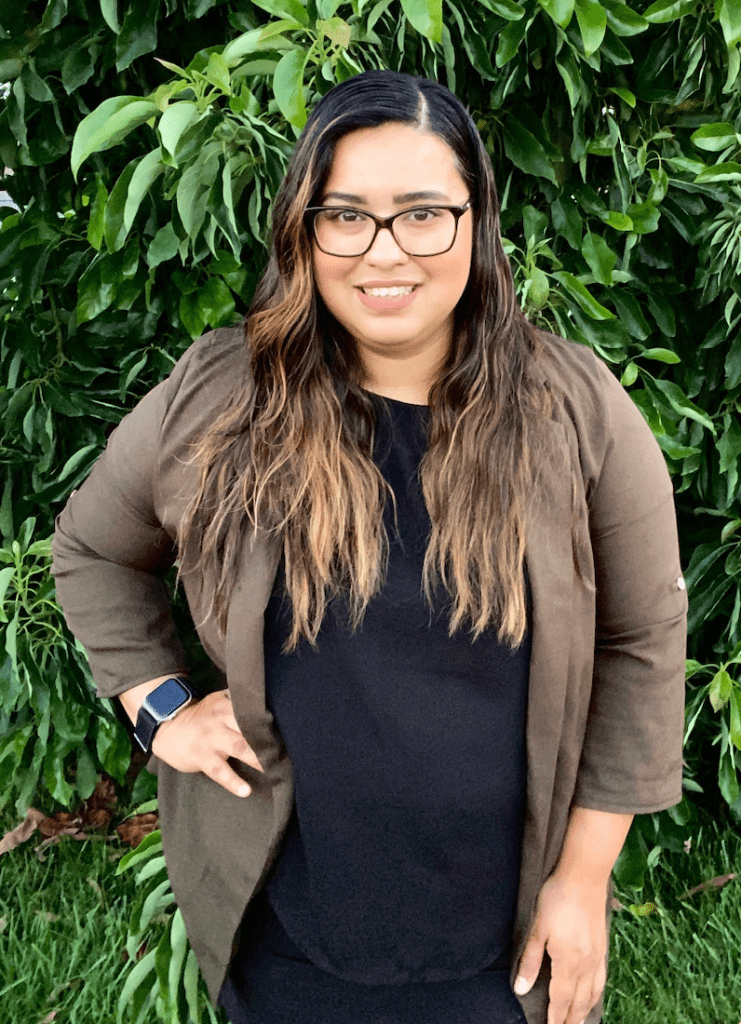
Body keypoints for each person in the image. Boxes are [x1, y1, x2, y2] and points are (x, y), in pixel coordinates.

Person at [52, 70, 687, 1024]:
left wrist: (584, 877)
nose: (383, 252)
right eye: (344, 215)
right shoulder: (220, 395)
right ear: (302, 231)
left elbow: (642, 638)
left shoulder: (574, 406)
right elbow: (92, 550)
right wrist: (161, 710)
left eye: (423, 213)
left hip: (503, 941)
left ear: (475, 223)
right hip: (285, 930)